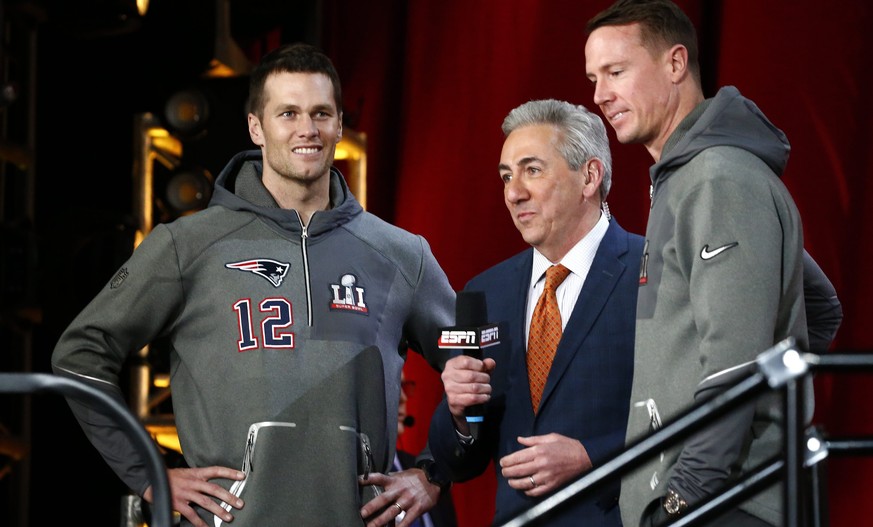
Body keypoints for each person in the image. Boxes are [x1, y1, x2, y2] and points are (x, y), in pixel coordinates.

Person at [51, 43, 456, 527]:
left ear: (340, 125)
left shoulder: (400, 254)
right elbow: (80, 353)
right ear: (256, 128)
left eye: (321, 113)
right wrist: (149, 472)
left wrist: (434, 472)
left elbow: (480, 365)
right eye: (288, 113)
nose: (307, 129)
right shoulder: (188, 244)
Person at [585, 1, 839, 525]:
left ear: (676, 64)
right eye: (593, 77)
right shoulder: (688, 178)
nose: (599, 95)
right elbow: (815, 304)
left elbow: (737, 363)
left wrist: (682, 499)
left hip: (723, 504)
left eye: (616, 72)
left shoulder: (720, 178)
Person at [428, 99, 644, 526]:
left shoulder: (653, 271)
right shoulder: (487, 292)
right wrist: (459, 411)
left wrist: (592, 457)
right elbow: (462, 459)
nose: (513, 192)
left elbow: (693, 411)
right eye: (506, 176)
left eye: (532, 170)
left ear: (589, 176)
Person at [389, 372, 458, 527]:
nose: (403, 398)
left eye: (404, 386)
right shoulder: (346, 477)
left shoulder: (432, 471)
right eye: (389, 385)